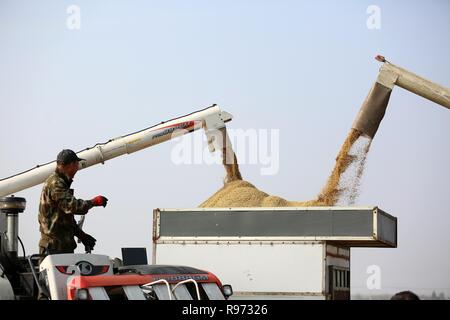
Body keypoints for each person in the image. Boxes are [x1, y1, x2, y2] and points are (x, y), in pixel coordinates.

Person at [38, 149, 108, 256]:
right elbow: (74, 206)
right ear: (69, 165)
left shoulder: (60, 183)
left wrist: (81, 235)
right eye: (76, 164)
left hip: (61, 247)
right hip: (54, 248)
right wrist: (94, 202)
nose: (77, 168)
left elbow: (65, 218)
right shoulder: (55, 183)